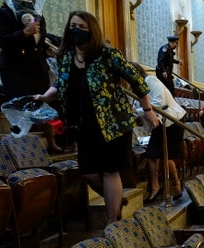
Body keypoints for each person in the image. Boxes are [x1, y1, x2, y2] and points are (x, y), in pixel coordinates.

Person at [35, 11, 159, 225]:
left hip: (112, 124)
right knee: (89, 173)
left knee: (110, 171)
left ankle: (111, 222)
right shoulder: (66, 55)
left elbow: (137, 79)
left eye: (82, 27)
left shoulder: (107, 54)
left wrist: (147, 109)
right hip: (83, 125)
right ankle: (116, 200)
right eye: (73, 25)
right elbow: (61, 82)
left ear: (92, 31)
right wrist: (45, 95)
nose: (76, 30)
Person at [0, 0, 62, 153]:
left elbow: (39, 39)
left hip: (37, 67)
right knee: (20, 107)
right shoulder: (3, 13)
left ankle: (51, 142)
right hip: (15, 69)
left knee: (44, 105)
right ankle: (22, 148)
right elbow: (1, 40)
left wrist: (47, 50)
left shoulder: (38, 14)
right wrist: (24, 33)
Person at [130, 62, 185, 203]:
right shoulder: (135, 88)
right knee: (151, 155)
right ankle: (156, 187)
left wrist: (137, 112)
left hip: (171, 120)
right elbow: (135, 108)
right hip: (158, 123)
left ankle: (176, 184)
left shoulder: (150, 81)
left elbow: (158, 102)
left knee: (166, 156)